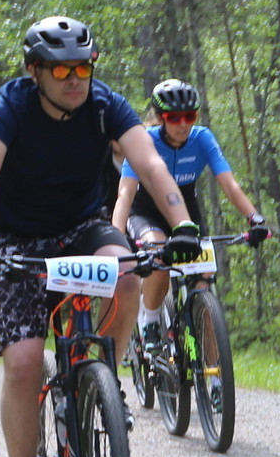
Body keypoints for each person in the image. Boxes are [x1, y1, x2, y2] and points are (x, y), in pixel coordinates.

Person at [0, 16, 202, 457]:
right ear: (34, 71)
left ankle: (101, 374)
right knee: (24, 363)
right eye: (61, 70)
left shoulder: (106, 105)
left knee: (127, 272)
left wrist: (182, 225)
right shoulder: (9, 108)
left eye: (83, 68)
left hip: (80, 229)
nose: (74, 79)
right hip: (13, 238)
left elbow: (151, 165)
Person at [111, 78, 269, 361]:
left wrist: (254, 218)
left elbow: (229, 184)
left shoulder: (202, 138)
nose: (183, 124)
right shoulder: (144, 142)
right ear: (161, 118)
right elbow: (125, 194)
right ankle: (150, 322)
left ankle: (215, 375)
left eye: (190, 116)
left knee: (204, 282)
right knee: (158, 254)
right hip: (146, 212)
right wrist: (116, 235)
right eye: (174, 118)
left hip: (186, 213)